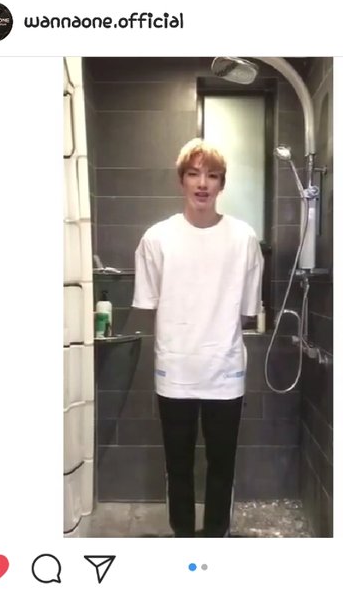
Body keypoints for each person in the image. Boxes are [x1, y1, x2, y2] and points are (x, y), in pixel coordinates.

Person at [132, 138, 264, 537]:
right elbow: (150, 301)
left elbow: (247, 309)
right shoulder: (156, 238)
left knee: (222, 464)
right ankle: (184, 540)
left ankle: (215, 538)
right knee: (178, 465)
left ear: (222, 183)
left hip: (225, 371)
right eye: (193, 174)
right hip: (175, 372)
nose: (202, 183)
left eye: (212, 175)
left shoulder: (244, 238)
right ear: (181, 180)